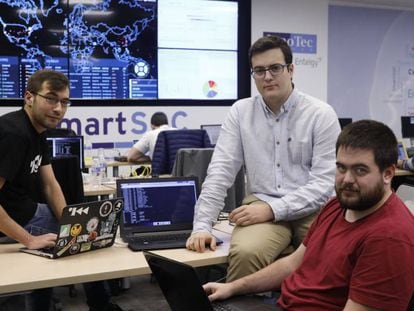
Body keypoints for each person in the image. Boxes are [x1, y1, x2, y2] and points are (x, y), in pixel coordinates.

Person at [203, 120, 414, 310]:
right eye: (341, 168)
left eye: (360, 170)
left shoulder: (390, 238)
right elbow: (292, 264)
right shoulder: (338, 206)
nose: (346, 179)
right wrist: (232, 287)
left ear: (388, 174)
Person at [186, 35, 341, 281]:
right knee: (247, 252)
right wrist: (202, 226)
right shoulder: (241, 112)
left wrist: (272, 210)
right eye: (259, 70)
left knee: (333, 255)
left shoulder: (320, 114)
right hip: (261, 201)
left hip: (314, 209)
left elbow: (324, 184)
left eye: (275, 68)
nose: (267, 77)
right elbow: (220, 172)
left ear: (291, 70)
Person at [0, 69, 122, 311]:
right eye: (51, 98)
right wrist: (29, 240)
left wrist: (71, 221)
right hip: (17, 221)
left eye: (64, 102)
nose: (58, 108)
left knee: (84, 230)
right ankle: (102, 306)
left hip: (30, 213)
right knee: (90, 241)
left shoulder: (38, 131)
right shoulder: (13, 133)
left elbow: (49, 183)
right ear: (29, 97)